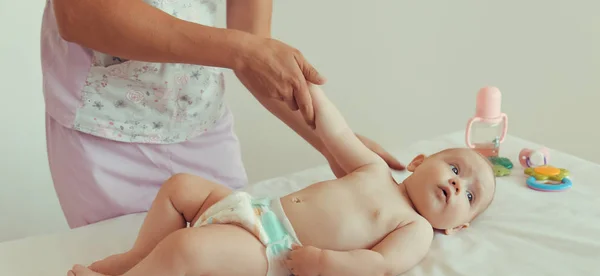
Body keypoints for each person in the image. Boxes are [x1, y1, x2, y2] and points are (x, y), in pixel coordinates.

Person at [65, 84, 496, 276]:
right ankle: (139, 255)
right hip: (253, 209)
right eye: (455, 169)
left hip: (269, 251)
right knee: (180, 187)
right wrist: (313, 92)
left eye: (470, 196)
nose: (459, 184)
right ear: (419, 161)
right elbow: (336, 133)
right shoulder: (375, 170)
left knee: (186, 248)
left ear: (458, 226)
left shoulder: (415, 228)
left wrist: (325, 262)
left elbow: (380, 266)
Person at [41, 0, 404, 229]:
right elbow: (79, 13)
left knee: (229, 263)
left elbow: (255, 53)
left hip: (202, 123)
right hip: (106, 137)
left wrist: (334, 141)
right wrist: (241, 51)